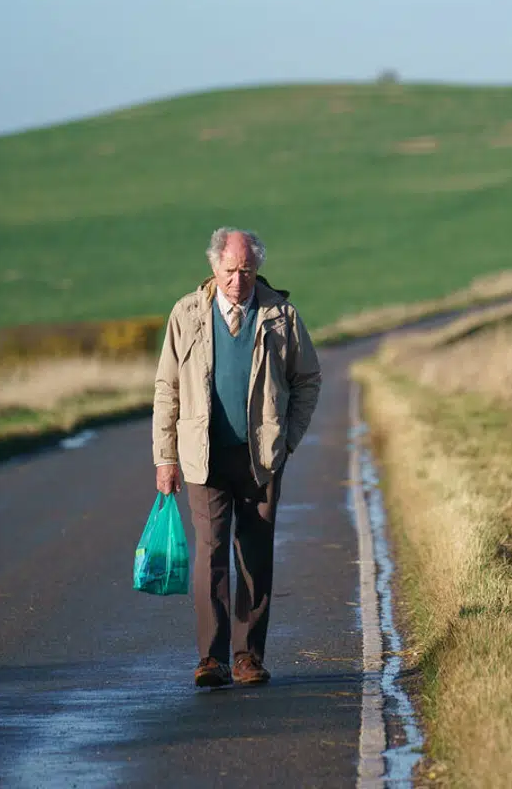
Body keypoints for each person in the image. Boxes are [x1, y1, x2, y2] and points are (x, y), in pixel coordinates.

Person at [152, 228, 322, 688]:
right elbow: (167, 388)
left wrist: (286, 441)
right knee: (211, 555)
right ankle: (212, 659)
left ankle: (248, 657)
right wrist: (164, 458)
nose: (237, 281)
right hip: (203, 457)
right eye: (229, 270)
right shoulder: (186, 313)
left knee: (254, 555)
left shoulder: (281, 316)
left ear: (257, 269)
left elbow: (308, 380)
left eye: (246, 271)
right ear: (214, 267)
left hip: (261, 459)